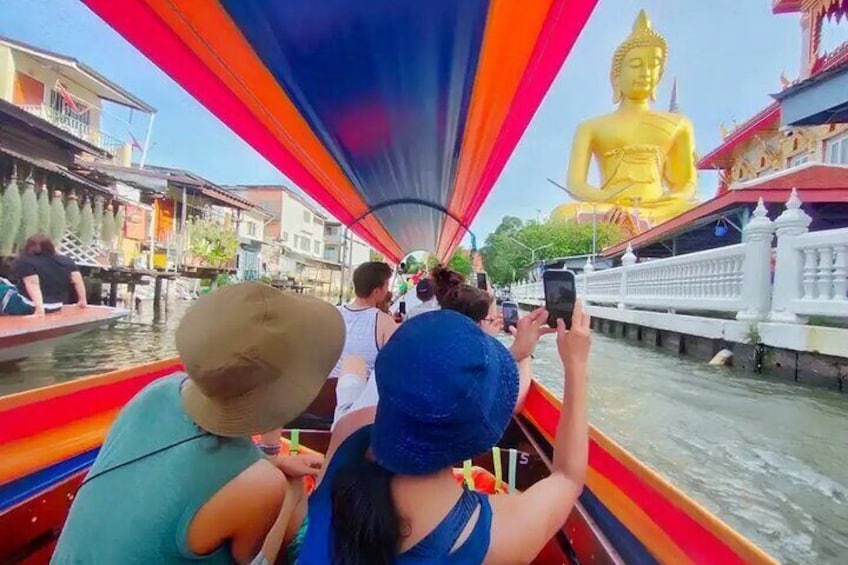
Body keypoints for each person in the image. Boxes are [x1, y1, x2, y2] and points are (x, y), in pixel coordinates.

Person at [51, 282, 343, 564]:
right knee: (294, 507)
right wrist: (285, 487)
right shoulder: (263, 486)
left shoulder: (157, 392)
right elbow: (257, 561)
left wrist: (272, 465)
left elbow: (171, 482)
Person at [296, 303, 591, 564]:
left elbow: (422, 394)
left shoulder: (351, 433)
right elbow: (567, 476)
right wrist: (575, 364)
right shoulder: (487, 534)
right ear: (477, 437)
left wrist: (517, 352)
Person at [259, 261, 397, 455]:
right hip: (357, 412)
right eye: (386, 287)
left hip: (316, 406)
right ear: (377, 291)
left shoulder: (329, 315)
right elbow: (395, 367)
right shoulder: (384, 322)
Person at [13, 234, 86, 316]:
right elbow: (78, 281)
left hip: (30, 305)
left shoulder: (26, 261)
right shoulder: (67, 261)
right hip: (57, 305)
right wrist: (82, 300)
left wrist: (39, 310)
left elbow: (33, 284)